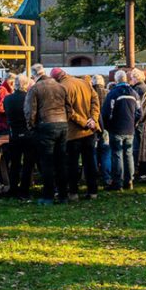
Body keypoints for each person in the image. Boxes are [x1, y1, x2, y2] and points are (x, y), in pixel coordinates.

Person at [25, 67, 72, 204]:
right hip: (62, 124)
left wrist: (32, 127)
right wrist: (65, 120)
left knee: (47, 163)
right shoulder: (60, 87)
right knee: (61, 162)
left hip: (45, 125)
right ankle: (63, 195)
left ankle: (48, 196)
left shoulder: (35, 88)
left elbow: (30, 111)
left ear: (34, 76)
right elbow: (69, 108)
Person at [57, 68, 100, 200]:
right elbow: (95, 100)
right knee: (90, 162)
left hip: (74, 132)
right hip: (89, 131)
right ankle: (93, 191)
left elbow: (69, 111)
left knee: (72, 163)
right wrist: (93, 119)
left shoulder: (63, 87)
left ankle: (73, 192)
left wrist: (84, 122)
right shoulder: (84, 82)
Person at [102, 69, 139, 191]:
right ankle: (129, 181)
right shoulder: (134, 93)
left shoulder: (113, 93)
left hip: (116, 128)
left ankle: (118, 182)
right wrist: (134, 122)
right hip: (130, 128)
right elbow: (140, 112)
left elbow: (106, 112)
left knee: (117, 154)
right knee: (128, 154)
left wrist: (107, 125)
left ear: (116, 80)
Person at [4, 75, 34, 199]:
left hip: (14, 133)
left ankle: (13, 188)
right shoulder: (29, 98)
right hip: (28, 133)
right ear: (26, 85)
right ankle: (24, 190)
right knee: (28, 163)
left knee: (15, 163)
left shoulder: (7, 99)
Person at [90, 75, 111, 188]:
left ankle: (93, 177)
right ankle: (107, 177)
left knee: (93, 152)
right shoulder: (108, 92)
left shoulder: (90, 93)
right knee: (106, 153)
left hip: (93, 127)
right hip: (106, 127)